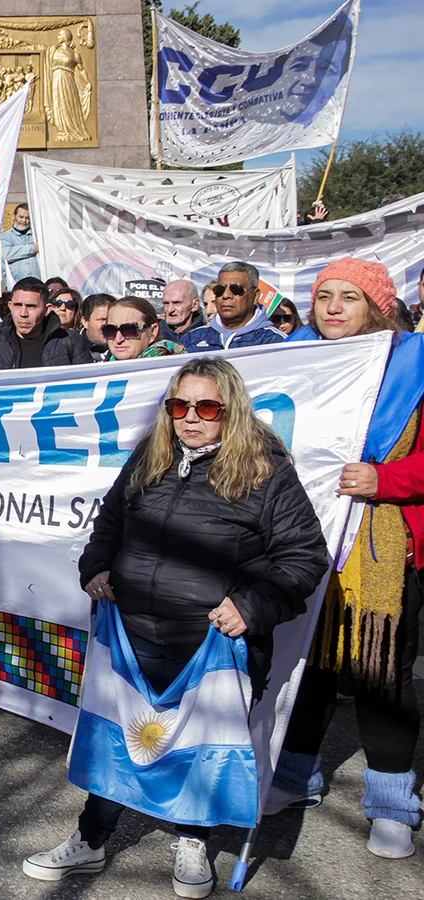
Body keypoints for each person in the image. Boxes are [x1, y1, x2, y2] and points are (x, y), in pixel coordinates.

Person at [23, 357, 327, 898]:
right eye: (179, 406)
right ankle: (91, 841)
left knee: (199, 748)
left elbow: (303, 558)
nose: (190, 418)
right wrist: (95, 567)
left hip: (212, 642)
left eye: (206, 407)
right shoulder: (151, 456)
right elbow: (110, 523)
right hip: (134, 631)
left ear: (230, 411)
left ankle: (193, 840)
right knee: (120, 739)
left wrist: (252, 606)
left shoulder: (265, 469)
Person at [272, 257, 424, 860]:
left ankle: (392, 804)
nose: (333, 307)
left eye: (350, 297)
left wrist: (386, 479)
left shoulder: (415, 367)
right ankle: (292, 779)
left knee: (379, 675)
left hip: (380, 545)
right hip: (306, 540)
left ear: (378, 308)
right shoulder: (293, 362)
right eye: (324, 296)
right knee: (306, 669)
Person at [0, 277, 93, 370]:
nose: (23, 313)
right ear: (10, 306)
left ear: (47, 309)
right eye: (18, 305)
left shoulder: (71, 342)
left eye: (31, 306)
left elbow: (88, 392)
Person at [181, 262, 286, 351]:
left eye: (236, 289)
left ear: (255, 296)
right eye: (220, 290)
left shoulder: (276, 343)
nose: (226, 295)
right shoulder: (191, 339)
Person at [103, 297, 185, 361]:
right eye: (110, 330)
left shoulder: (177, 370)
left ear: (153, 332)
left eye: (129, 330)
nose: (118, 339)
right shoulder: (102, 372)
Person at [0, 203, 41, 284]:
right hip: (16, 285)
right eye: (21, 217)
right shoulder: (5, 236)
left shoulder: (36, 236)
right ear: (14, 216)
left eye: (27, 218)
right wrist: (33, 248)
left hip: (37, 284)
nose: (24, 221)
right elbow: (5, 254)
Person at [81, 293, 115, 362]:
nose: (107, 325)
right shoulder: (69, 347)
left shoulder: (123, 348)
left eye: (111, 319)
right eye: (102, 319)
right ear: (85, 322)